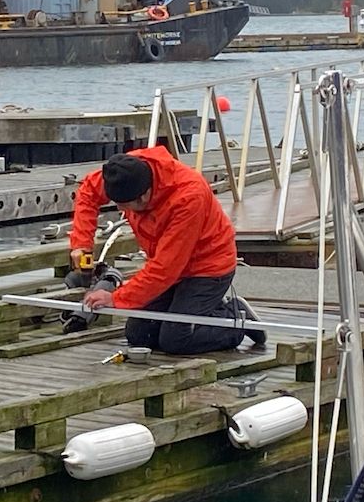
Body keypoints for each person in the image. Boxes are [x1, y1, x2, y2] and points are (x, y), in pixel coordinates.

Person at [68, 147, 265, 355]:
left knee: (177, 340)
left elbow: (165, 268)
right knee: (139, 336)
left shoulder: (188, 197)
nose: (120, 210)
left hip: (208, 269)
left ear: (144, 197)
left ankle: (237, 319)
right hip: (169, 268)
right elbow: (89, 191)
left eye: (124, 206)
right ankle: (205, 311)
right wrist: (81, 244)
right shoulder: (125, 170)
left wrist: (115, 298)